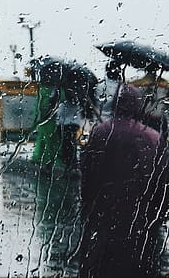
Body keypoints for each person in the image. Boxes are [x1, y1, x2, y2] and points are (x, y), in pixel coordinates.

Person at [79, 84, 169, 277]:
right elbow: (162, 184)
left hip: (104, 221)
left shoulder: (100, 133)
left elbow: (87, 176)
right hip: (141, 224)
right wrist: (158, 217)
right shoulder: (153, 138)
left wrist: (87, 210)